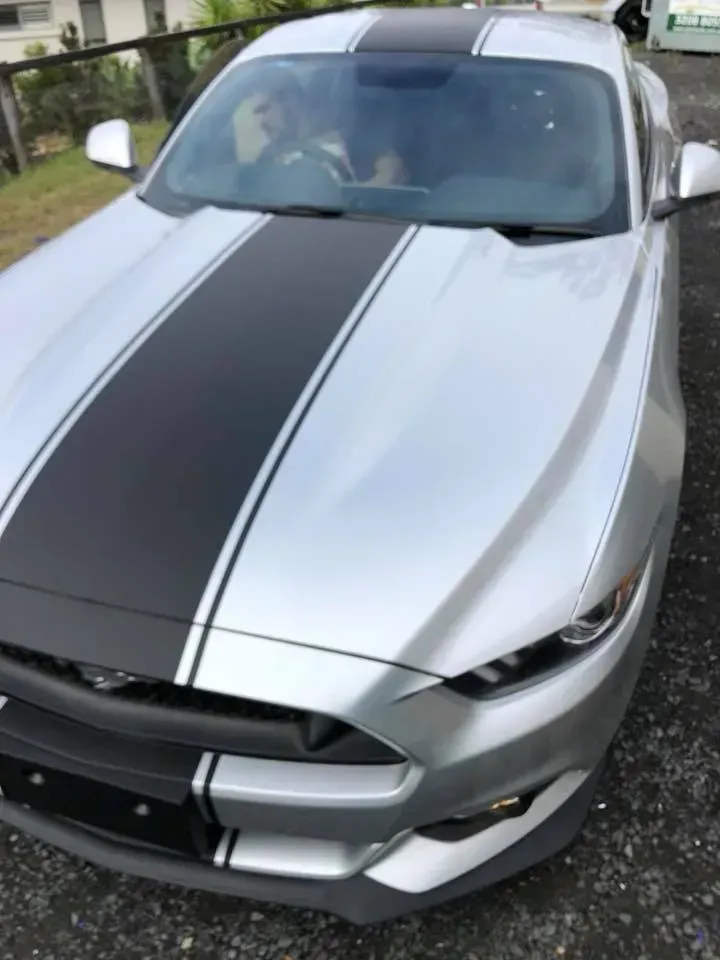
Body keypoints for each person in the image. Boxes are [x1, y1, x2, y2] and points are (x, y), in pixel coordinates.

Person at [251, 70, 407, 186]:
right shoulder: (267, 156)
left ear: (290, 101)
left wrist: (348, 198)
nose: (261, 122)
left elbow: (395, 172)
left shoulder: (351, 136)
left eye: (265, 110)